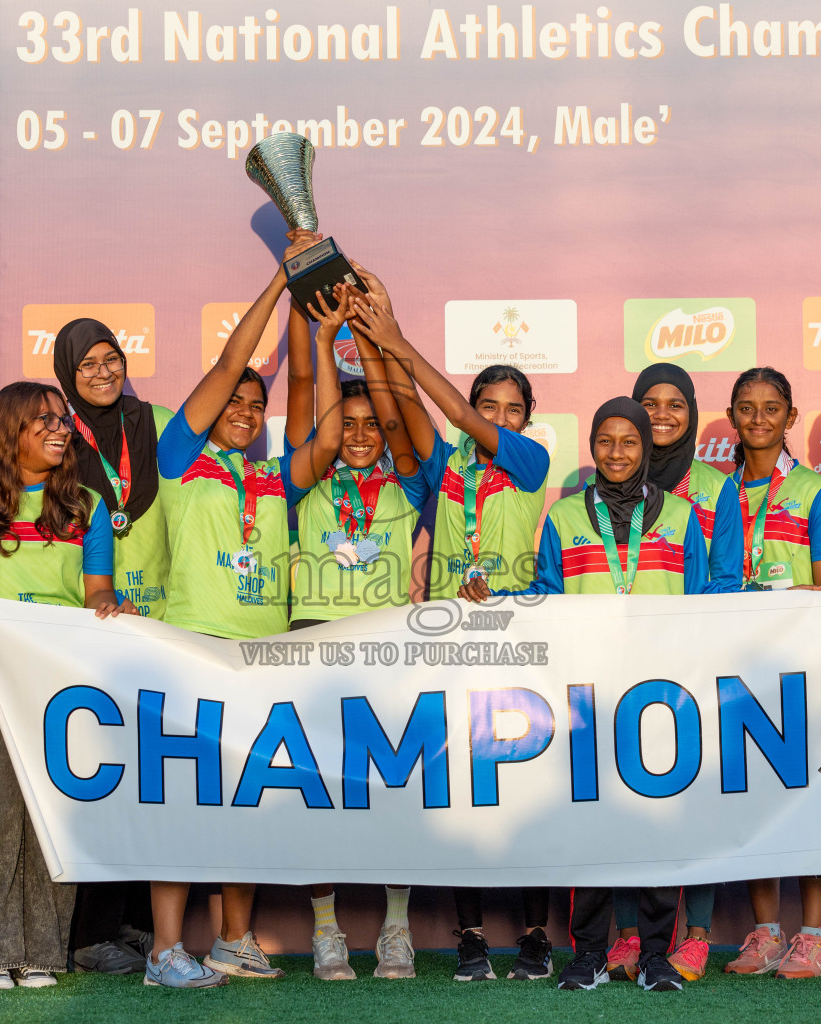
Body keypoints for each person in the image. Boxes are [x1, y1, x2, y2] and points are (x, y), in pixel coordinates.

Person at [145, 237, 344, 988]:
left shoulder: (268, 479)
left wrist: (322, 340)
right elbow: (232, 364)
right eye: (236, 402)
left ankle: (235, 938)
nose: (246, 408)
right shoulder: (178, 459)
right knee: (182, 798)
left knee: (247, 799)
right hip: (195, 644)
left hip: (262, 654)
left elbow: (325, 440)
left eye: (256, 405)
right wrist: (279, 280)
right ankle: (165, 950)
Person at [459, 397, 708, 994]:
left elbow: (704, 609)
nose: (616, 453)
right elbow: (546, 596)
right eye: (605, 441)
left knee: (655, 827)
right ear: (592, 447)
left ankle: (653, 956)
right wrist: (494, 598)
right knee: (590, 827)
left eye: (629, 442)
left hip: (658, 699)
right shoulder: (568, 517)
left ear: (647, 448)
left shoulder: (681, 515)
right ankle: (590, 953)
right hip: (588, 696)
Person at [351, 295, 553, 982]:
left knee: (526, 788)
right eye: (487, 407)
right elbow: (409, 406)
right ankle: (470, 938)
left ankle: (535, 936)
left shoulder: (530, 462)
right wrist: (374, 338)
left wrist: (399, 338)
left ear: (527, 419)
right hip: (447, 646)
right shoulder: (447, 467)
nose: (498, 418)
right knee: (458, 787)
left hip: (515, 642)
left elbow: (455, 414)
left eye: (511, 408)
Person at [0, 382, 132, 991]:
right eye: (42, 419)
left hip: (61, 682)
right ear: (9, 430)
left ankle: (43, 953)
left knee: (51, 814)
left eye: (61, 418)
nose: (59, 427)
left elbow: (96, 589)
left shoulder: (86, 506)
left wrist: (108, 605)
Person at [290, 272, 434, 982]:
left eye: (368, 425)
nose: (356, 435)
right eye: (344, 426)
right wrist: (323, 339)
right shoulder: (310, 482)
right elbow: (318, 425)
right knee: (318, 793)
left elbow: (399, 408)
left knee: (393, 790)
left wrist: (379, 334)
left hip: (390, 647)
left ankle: (396, 930)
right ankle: (326, 932)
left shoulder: (408, 479)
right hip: (315, 644)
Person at [715, 368, 821, 980]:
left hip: (804, 664)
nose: (759, 418)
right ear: (733, 416)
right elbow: (716, 581)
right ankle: (766, 932)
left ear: (791, 417)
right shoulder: (722, 494)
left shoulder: (819, 492)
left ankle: (816, 937)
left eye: (772, 408)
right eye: (746, 408)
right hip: (742, 661)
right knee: (753, 794)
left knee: (809, 793)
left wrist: (790, 596)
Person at [53, 318, 171, 976]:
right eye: (86, 365)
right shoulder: (55, 435)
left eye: (112, 358)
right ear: (66, 375)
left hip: (157, 619)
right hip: (88, 624)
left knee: (154, 779)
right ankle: (87, 934)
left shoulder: (153, 420)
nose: (102, 372)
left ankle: (138, 924)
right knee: (102, 779)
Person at [625, 364, 742, 981]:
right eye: (650, 402)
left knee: (693, 796)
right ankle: (624, 934)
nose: (662, 414)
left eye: (675, 403)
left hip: (688, 664)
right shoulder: (612, 476)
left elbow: (725, 577)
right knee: (618, 794)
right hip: (618, 667)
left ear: (693, 412)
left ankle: (695, 934)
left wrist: (692, 640)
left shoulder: (715, 487)